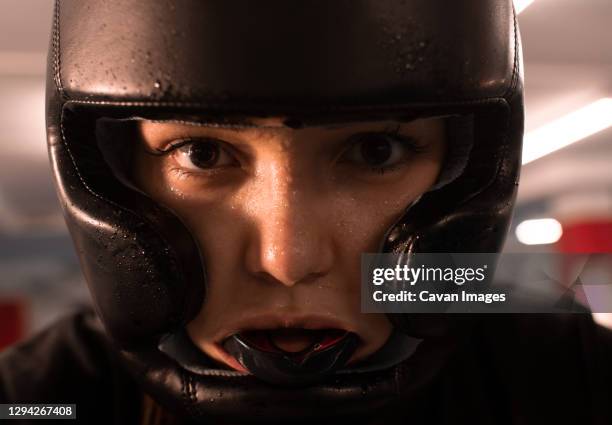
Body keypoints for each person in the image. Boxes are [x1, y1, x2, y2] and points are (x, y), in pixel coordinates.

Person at [1, 0, 611, 424]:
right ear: (111, 175)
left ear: (469, 171)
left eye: (377, 151)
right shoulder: (42, 396)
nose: (288, 262)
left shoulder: (573, 379)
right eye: (203, 153)